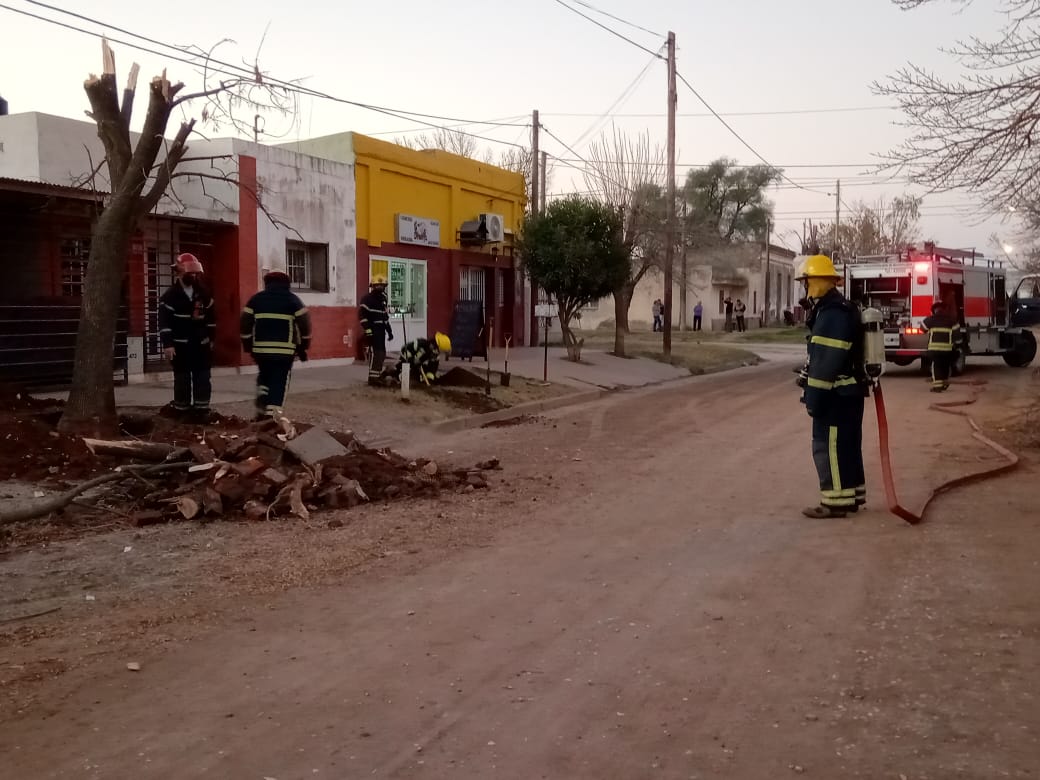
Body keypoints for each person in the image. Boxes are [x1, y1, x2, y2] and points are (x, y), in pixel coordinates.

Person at [796, 255, 868, 519]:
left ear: (815, 282)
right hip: (849, 393)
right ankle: (852, 495)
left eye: (806, 282)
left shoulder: (831, 314)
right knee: (847, 446)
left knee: (829, 447)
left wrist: (813, 399)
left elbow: (825, 364)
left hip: (835, 395)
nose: (805, 288)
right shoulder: (842, 309)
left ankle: (835, 502)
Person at [240, 269, 312, 419]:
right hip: (284, 351)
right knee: (279, 382)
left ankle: (261, 407)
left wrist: (247, 344)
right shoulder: (293, 300)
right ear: (287, 284)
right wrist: (303, 346)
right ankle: (272, 418)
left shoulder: (256, 299)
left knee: (264, 376)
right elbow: (305, 324)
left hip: (260, 350)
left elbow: (245, 322)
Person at [158, 253, 215, 421]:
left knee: (203, 377)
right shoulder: (170, 296)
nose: (194, 276)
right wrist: (168, 345)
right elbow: (164, 323)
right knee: (182, 378)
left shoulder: (203, 293)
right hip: (180, 345)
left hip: (201, 344)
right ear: (180, 273)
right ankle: (181, 410)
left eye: (196, 273)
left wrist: (211, 339)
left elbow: (211, 319)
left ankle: (201, 410)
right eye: (191, 273)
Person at [359, 275, 394, 386]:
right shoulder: (367, 299)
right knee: (375, 354)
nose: (380, 287)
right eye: (377, 285)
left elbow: (385, 316)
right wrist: (368, 331)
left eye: (382, 285)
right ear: (373, 286)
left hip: (381, 331)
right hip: (373, 330)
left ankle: (377, 376)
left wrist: (389, 331)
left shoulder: (383, 299)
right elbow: (362, 316)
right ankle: (373, 379)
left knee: (381, 354)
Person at [922, 301, 960, 392]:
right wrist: (957, 346)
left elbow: (923, 329)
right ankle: (944, 384)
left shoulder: (930, 319)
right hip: (947, 349)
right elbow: (957, 336)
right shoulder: (952, 320)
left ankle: (938, 387)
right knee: (945, 366)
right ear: (945, 310)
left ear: (934, 311)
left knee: (936, 366)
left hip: (934, 349)